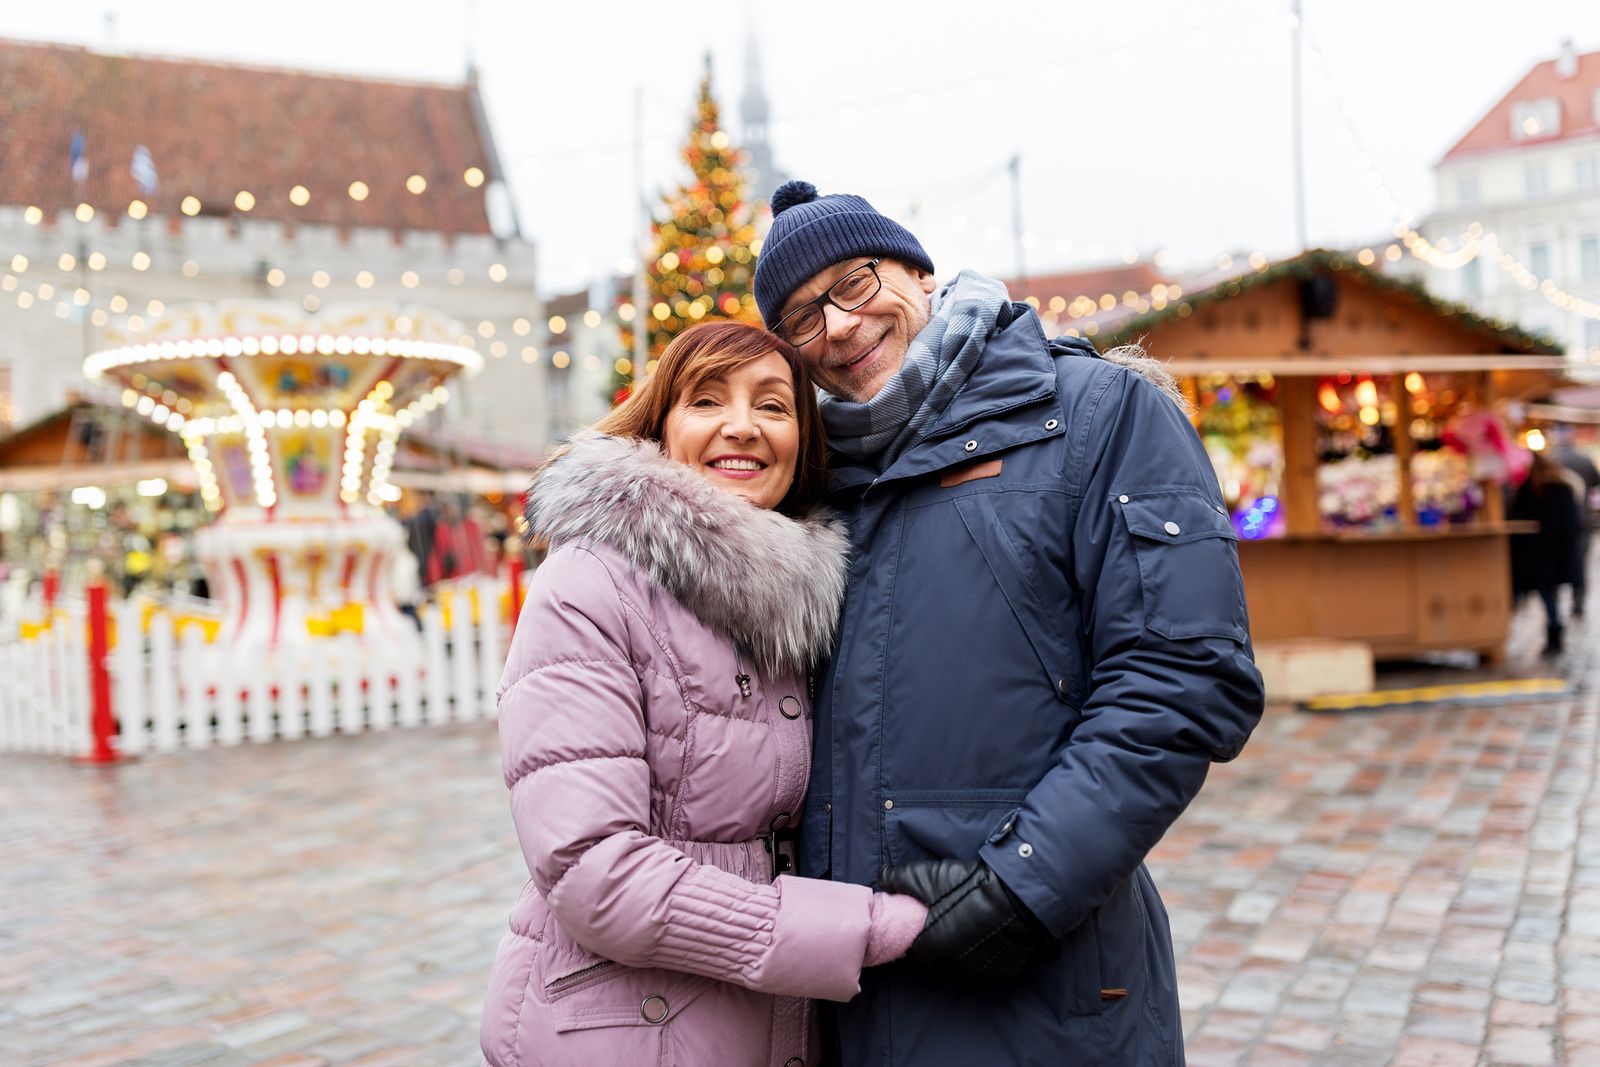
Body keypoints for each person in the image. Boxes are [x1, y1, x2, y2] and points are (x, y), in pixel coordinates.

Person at [751, 180, 1267, 1065]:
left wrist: (1024, 885)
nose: (836, 325)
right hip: (850, 1000)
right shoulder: (799, 485)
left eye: (856, 281)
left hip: (1048, 989)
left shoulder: (1100, 415)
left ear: (916, 271)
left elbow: (1183, 675)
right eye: (801, 317)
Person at [479, 321, 927, 1067]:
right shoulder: (591, 582)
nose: (742, 426)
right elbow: (595, 869)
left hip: (768, 1023)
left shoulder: (809, 595)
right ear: (661, 426)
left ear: (805, 440)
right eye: (707, 399)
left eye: (775, 406)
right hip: (623, 1030)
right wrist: (856, 928)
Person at [1510, 449, 1583, 656]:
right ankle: (1555, 625)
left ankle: (1554, 627)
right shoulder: (1563, 488)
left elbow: (1517, 516)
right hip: (1558, 552)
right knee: (1552, 593)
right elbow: (1573, 523)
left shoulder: (1530, 489)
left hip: (1539, 554)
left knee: (1547, 593)